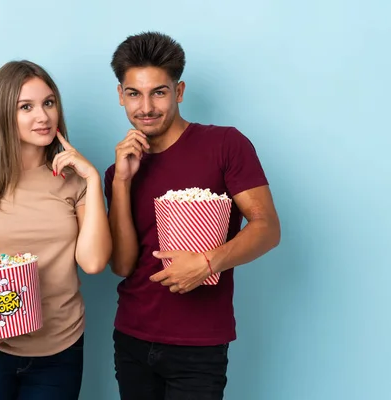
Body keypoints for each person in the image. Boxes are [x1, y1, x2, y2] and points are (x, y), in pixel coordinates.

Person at [104, 32, 281, 400]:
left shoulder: (225, 145)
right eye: (134, 94)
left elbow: (267, 227)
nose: (146, 107)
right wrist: (121, 182)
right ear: (121, 95)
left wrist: (206, 262)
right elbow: (122, 265)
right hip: (132, 337)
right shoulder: (117, 170)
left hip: (199, 344)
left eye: (159, 92)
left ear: (179, 91)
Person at [0, 60, 112, 400]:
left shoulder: (75, 182)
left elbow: (93, 262)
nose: (42, 116)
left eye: (48, 102)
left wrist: (92, 179)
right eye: (25, 107)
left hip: (60, 349)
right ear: (3, 114)